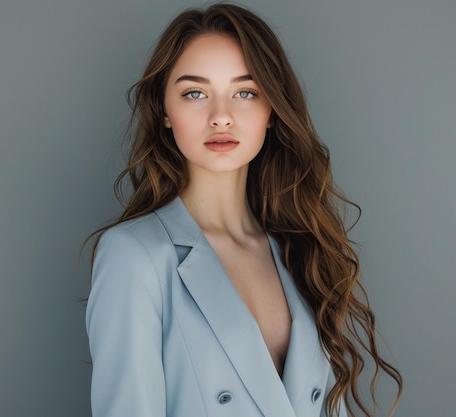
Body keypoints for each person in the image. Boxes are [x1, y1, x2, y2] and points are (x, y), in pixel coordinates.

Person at [85, 3, 402, 417]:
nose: (221, 117)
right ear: (164, 111)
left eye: (245, 92)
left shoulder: (300, 249)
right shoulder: (134, 255)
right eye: (195, 93)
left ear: (271, 111)